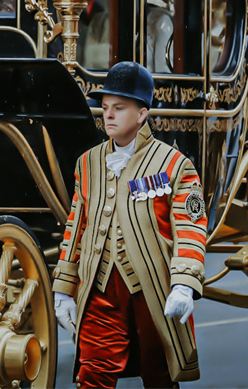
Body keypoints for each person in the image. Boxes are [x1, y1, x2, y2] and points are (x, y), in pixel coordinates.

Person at [53, 61, 206, 387]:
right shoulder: (88, 163)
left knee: (159, 373)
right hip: (99, 287)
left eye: (119, 108)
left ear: (141, 114)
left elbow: (191, 226)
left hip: (152, 288)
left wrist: (184, 283)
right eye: (105, 107)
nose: (108, 115)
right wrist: (64, 289)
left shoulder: (174, 164)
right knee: (92, 371)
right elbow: (75, 227)